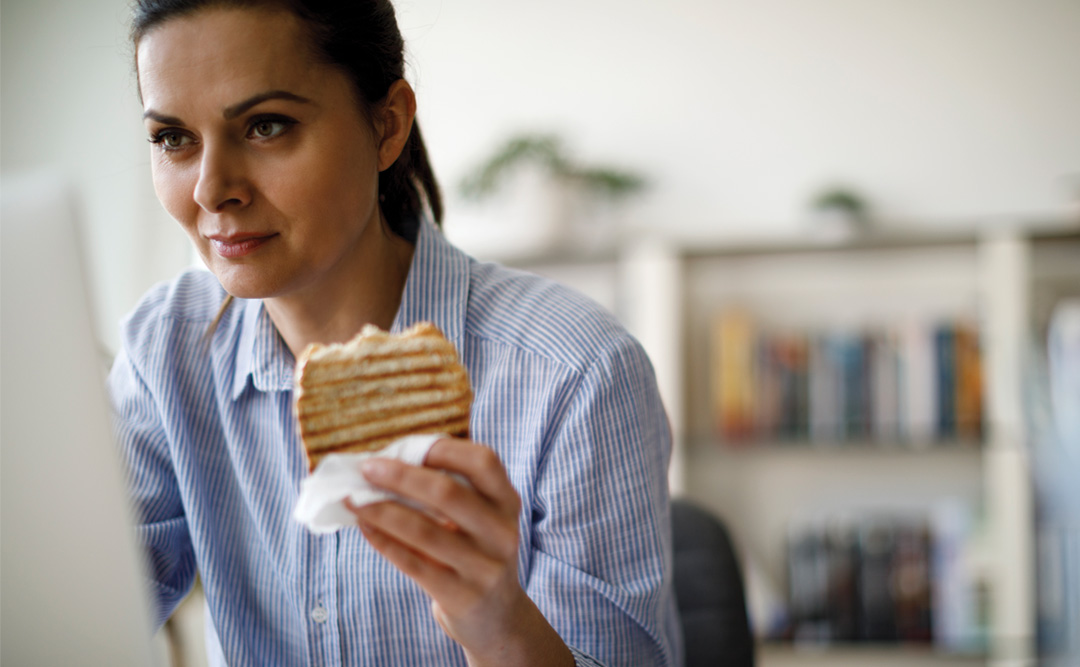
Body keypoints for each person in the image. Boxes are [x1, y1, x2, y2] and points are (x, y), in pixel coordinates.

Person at [111, 1, 681, 665]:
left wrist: (497, 625)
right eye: (172, 139)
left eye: (266, 126)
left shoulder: (577, 373)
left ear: (387, 126)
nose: (211, 190)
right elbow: (76, 611)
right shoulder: (163, 350)